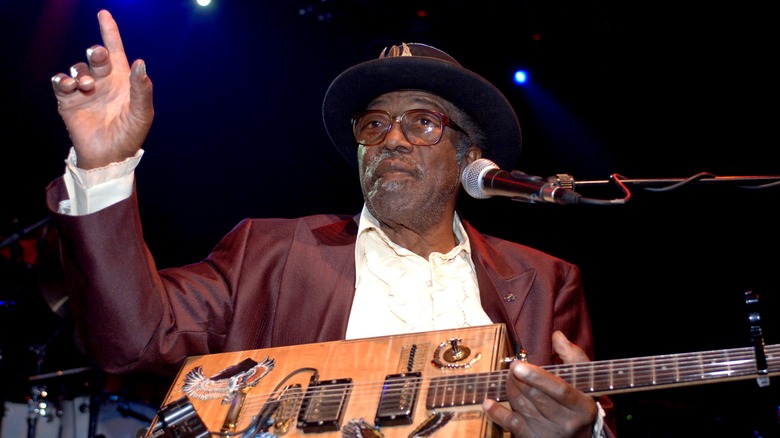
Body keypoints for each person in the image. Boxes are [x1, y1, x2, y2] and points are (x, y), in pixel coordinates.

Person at [47, 9, 615, 438]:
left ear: (470, 158)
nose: (391, 137)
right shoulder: (269, 253)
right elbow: (129, 340)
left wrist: (581, 429)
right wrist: (103, 167)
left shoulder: (543, 280)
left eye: (421, 122)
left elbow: (586, 415)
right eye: (374, 124)